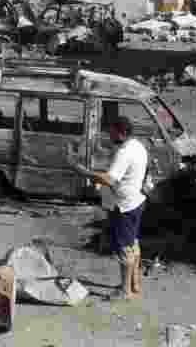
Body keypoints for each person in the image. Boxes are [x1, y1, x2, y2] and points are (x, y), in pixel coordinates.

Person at [67, 116, 148, 302]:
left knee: (123, 249)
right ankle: (135, 285)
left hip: (123, 206)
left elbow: (109, 179)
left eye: (112, 132)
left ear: (122, 132)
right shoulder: (137, 146)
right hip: (135, 201)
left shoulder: (125, 152)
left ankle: (125, 291)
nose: (109, 136)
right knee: (133, 244)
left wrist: (81, 170)